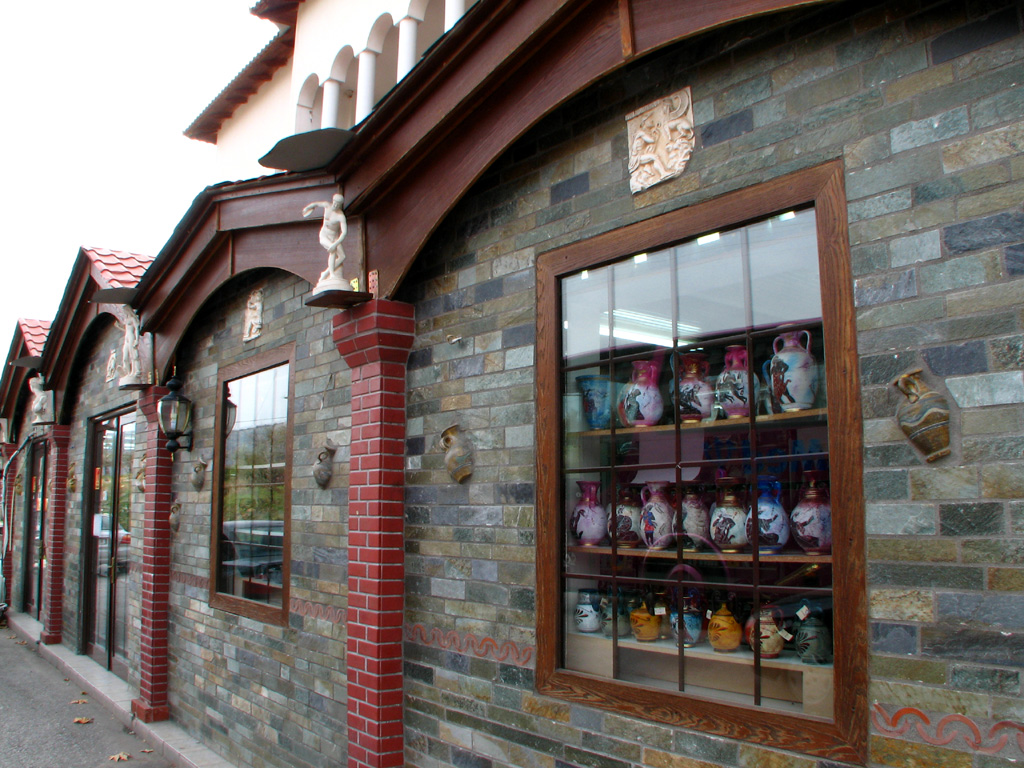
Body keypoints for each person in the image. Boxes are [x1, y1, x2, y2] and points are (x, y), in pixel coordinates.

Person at [302, 193, 348, 287]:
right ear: (333, 201)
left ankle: (325, 273)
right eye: (334, 203)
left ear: (340, 205)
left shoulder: (340, 216)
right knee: (333, 251)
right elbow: (316, 204)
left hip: (334, 238)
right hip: (324, 235)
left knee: (342, 256)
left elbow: (344, 233)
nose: (335, 205)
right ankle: (332, 274)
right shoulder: (327, 205)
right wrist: (307, 208)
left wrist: (335, 243)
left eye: (338, 204)